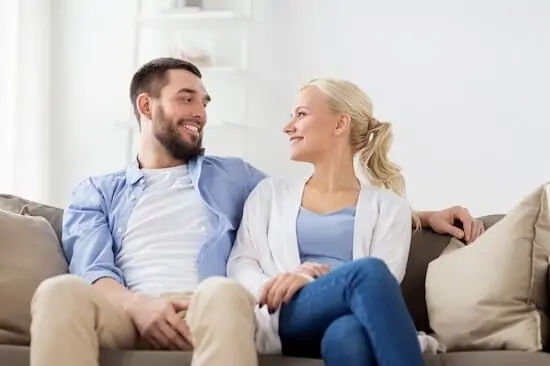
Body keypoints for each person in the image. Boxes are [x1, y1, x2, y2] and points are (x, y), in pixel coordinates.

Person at [29, 57, 484, 366]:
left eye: (204, 103)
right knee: (57, 292)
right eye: (187, 98)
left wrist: (420, 216)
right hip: (125, 309)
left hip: (205, 305)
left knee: (230, 296)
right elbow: (93, 270)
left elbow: (326, 197)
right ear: (147, 106)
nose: (201, 113)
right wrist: (140, 306)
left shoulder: (235, 177)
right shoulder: (96, 191)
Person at [226, 78, 456, 365]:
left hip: (350, 317)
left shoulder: (390, 208)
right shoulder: (269, 194)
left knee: (349, 337)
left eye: (301, 114)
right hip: (285, 312)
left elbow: (386, 282)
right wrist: (272, 287)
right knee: (367, 271)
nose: (288, 127)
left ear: (339, 124)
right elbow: (240, 262)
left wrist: (313, 275)